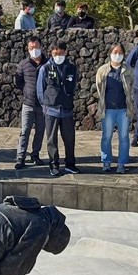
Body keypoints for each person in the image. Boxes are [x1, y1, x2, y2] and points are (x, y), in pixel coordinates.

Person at [37, 41, 78, 176]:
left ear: (65, 53)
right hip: (51, 109)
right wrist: (45, 105)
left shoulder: (71, 68)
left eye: (61, 53)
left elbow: (74, 86)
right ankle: (54, 165)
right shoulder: (45, 68)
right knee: (51, 140)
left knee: (70, 138)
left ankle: (70, 164)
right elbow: (40, 89)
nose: (58, 56)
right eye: (56, 53)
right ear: (51, 53)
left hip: (67, 110)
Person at [95, 44, 134, 173]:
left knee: (124, 137)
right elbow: (99, 89)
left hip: (123, 109)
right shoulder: (102, 70)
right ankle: (106, 162)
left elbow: (132, 87)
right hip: (108, 110)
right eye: (115, 52)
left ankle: (122, 163)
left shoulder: (128, 70)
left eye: (120, 52)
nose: (117, 55)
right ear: (110, 53)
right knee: (106, 136)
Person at [14, 36, 47, 169]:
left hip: (43, 105)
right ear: (28, 49)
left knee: (40, 131)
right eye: (31, 48)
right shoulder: (23, 64)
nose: (34, 50)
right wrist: (27, 91)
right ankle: (20, 157)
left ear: (41, 47)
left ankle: (35, 154)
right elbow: (18, 82)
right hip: (28, 103)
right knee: (25, 131)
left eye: (36, 47)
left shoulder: (48, 63)